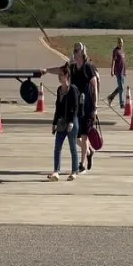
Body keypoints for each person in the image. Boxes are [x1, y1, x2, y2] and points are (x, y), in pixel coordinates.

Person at [42, 42, 98, 173]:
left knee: (84, 136)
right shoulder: (72, 68)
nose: (75, 51)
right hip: (77, 106)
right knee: (76, 138)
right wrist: (46, 70)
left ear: (83, 52)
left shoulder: (88, 67)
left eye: (77, 50)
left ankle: (82, 164)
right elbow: (60, 70)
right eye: (74, 49)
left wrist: (95, 107)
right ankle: (89, 151)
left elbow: (95, 86)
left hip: (88, 106)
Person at [48, 64, 80, 181]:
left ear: (66, 76)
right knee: (57, 148)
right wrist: (54, 123)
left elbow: (75, 107)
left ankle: (74, 171)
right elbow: (58, 107)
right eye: (59, 75)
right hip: (61, 123)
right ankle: (56, 171)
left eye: (61, 75)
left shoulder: (73, 90)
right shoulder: (59, 90)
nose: (59, 77)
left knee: (73, 148)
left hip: (72, 123)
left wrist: (71, 121)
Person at [106, 37, 127, 109]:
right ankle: (122, 103)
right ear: (117, 43)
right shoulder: (115, 51)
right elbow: (114, 61)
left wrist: (125, 71)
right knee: (121, 88)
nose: (121, 44)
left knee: (121, 87)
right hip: (118, 71)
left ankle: (111, 97)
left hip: (123, 71)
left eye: (122, 42)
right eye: (120, 42)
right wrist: (112, 70)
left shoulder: (122, 51)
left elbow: (123, 62)